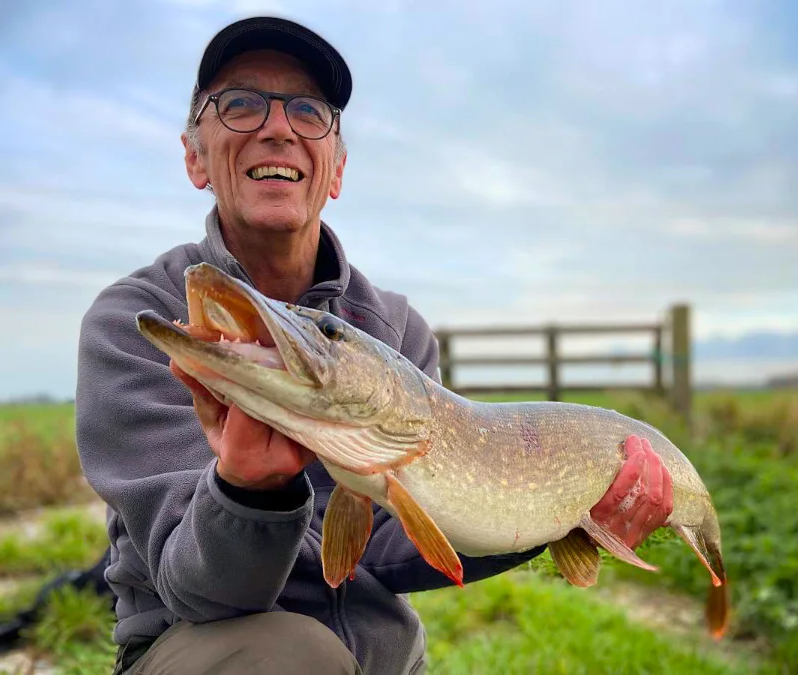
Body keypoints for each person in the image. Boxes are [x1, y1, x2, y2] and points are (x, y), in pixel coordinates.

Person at [74, 16, 674, 675]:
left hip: (378, 656)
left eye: (308, 110)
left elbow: (393, 548)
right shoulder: (135, 323)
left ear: (335, 171)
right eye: (240, 103)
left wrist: (558, 513)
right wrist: (246, 488)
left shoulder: (396, 329)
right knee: (292, 655)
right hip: (207, 647)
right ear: (194, 157)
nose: (278, 127)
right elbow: (200, 590)